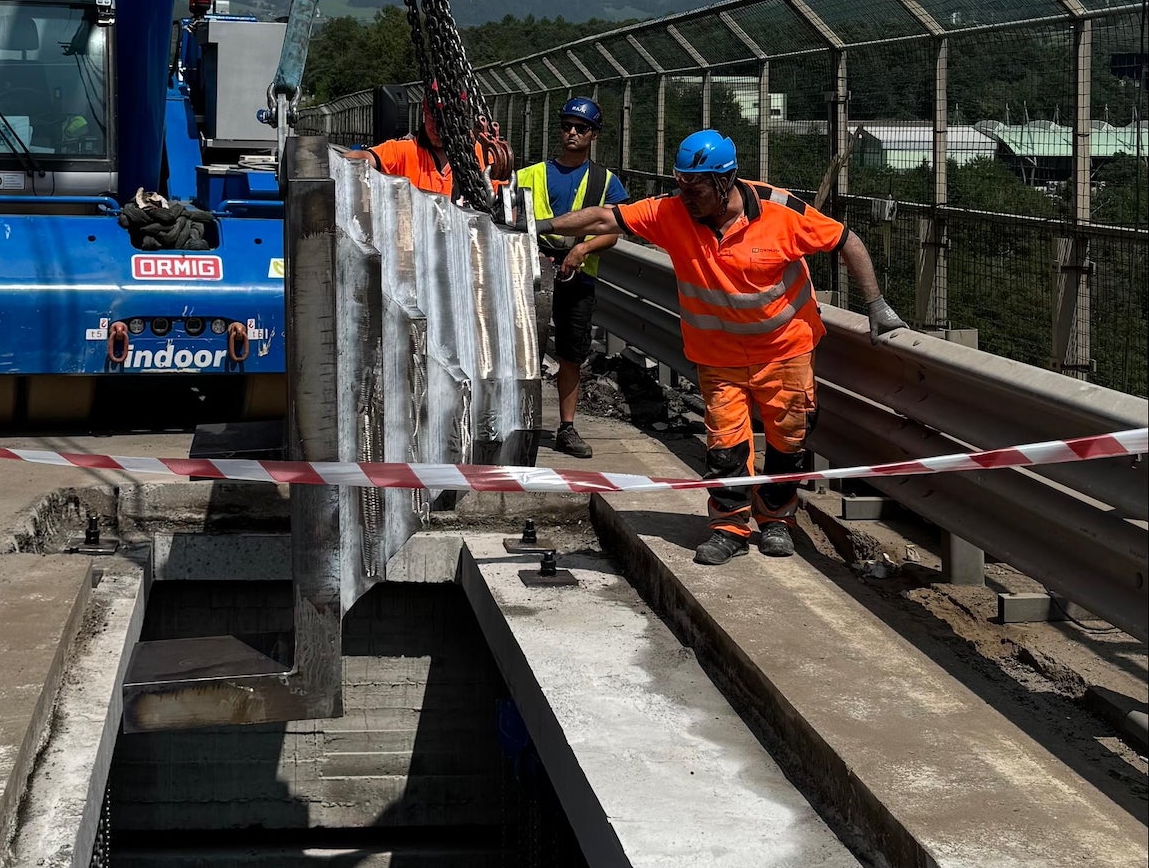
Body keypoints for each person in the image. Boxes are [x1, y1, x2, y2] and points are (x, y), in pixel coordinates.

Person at [544, 127, 907, 563]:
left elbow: (847, 241)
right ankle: (729, 527)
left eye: (695, 187)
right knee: (725, 444)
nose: (686, 196)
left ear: (724, 181)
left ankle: (777, 522)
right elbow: (605, 218)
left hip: (785, 349)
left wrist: (876, 305)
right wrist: (541, 224)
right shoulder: (671, 211)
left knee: (788, 440)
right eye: (680, 184)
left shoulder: (781, 212)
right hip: (718, 356)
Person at [516, 97, 626, 459]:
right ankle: (519, 422)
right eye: (566, 127)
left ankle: (566, 427)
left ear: (593, 134)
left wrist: (583, 250)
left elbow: (613, 230)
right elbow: (507, 212)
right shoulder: (530, 175)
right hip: (532, 271)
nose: (572, 133)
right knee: (525, 349)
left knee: (570, 354)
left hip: (578, 277)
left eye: (580, 128)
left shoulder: (605, 181)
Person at [345, 94, 500, 200]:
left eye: (445, 122)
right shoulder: (405, 150)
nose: (438, 128)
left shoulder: (478, 152)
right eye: (432, 119)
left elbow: (502, 198)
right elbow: (366, 157)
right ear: (424, 115)